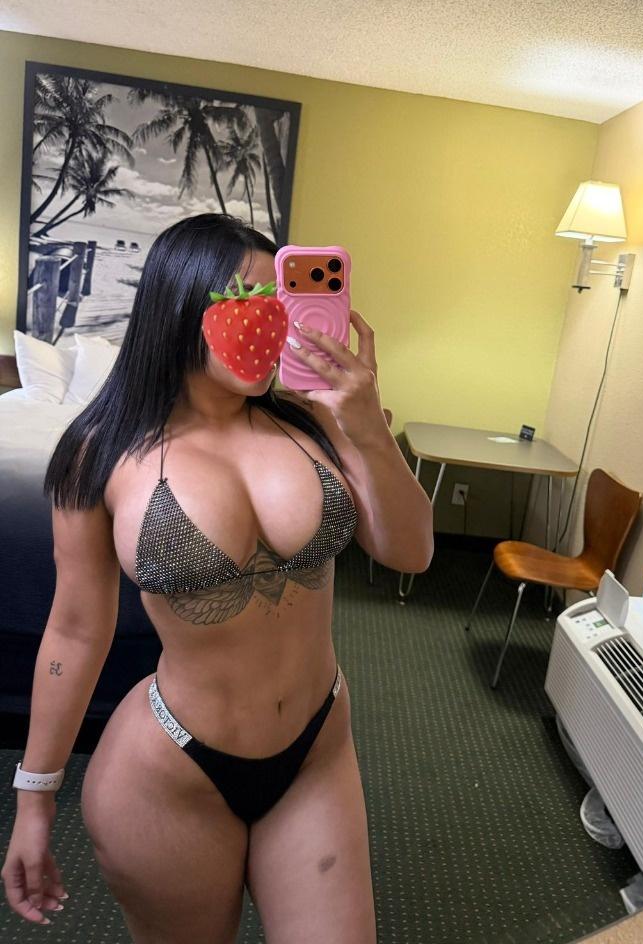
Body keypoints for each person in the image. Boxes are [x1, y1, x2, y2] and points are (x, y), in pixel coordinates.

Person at [1, 213, 434, 943]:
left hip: (317, 751)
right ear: (181, 305)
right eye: (245, 299)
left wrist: (364, 423)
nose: (267, 322)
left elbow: (412, 552)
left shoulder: (312, 421)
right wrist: (35, 798)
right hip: (172, 769)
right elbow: (76, 630)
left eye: (279, 303)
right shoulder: (99, 454)